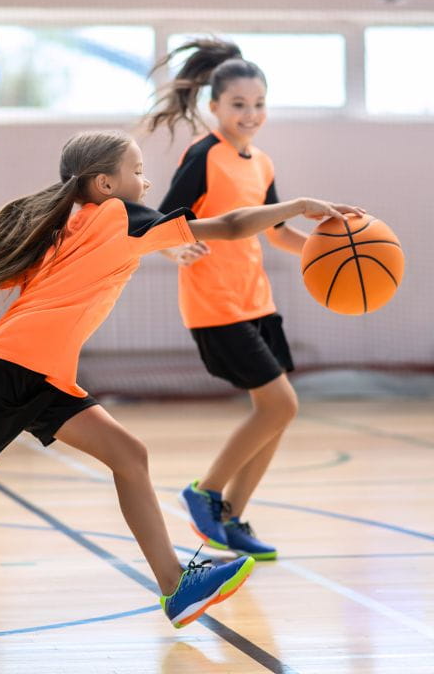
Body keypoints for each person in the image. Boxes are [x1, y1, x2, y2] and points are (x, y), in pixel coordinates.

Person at [0, 130, 362, 628]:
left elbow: (11, 276)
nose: (146, 183)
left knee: (128, 455)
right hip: (11, 371)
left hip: (39, 374)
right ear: (105, 184)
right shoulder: (119, 216)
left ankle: (176, 586)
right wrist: (294, 206)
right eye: (137, 171)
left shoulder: (73, 223)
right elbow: (230, 225)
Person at [145, 38, 321, 560]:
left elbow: (279, 233)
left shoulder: (260, 163)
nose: (250, 114)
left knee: (277, 413)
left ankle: (232, 517)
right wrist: (173, 252)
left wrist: (331, 248)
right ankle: (205, 491)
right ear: (214, 107)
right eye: (239, 105)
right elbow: (159, 225)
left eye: (259, 104)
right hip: (214, 303)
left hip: (256, 302)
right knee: (280, 404)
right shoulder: (205, 155)